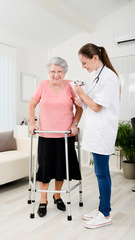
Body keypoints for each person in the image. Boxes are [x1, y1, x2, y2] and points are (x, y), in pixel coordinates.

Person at [28, 56, 82, 217]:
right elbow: (32, 104)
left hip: (65, 135)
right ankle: (43, 200)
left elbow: (80, 107)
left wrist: (74, 124)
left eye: (59, 71)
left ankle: (57, 196)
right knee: (45, 170)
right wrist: (32, 124)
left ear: (64, 72)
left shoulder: (71, 85)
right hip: (45, 134)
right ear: (48, 72)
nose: (56, 74)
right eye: (52, 71)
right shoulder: (43, 85)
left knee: (61, 169)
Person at [74, 43, 120, 229]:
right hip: (95, 129)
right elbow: (91, 104)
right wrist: (81, 100)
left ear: (95, 58)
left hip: (102, 131)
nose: (83, 67)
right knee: (99, 172)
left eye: (84, 63)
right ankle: (102, 208)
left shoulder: (109, 77)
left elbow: (97, 106)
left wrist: (82, 94)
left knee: (102, 172)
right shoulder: (96, 76)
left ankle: (106, 213)